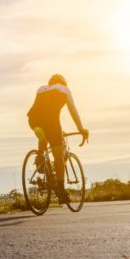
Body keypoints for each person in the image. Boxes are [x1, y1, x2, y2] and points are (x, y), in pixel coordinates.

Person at [27, 74, 89, 204]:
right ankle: (61, 190)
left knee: (43, 134)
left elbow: (41, 110)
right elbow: (73, 110)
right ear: (63, 83)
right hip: (51, 123)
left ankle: (40, 157)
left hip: (33, 120)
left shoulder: (41, 89)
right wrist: (81, 129)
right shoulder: (64, 89)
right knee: (58, 157)